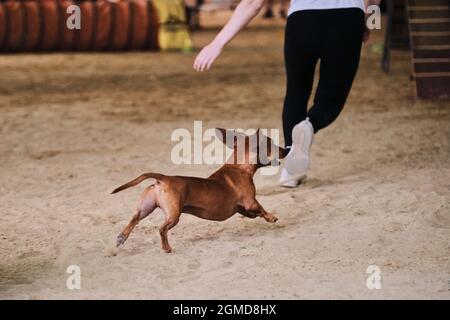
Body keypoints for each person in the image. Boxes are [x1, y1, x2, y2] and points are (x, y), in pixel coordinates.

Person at [194, 0, 381, 187]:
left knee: (296, 92)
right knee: (331, 98)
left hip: (302, 18)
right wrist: (366, 19)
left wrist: (217, 43)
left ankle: (292, 169)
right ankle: (309, 124)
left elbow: (253, 3)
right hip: (347, 18)